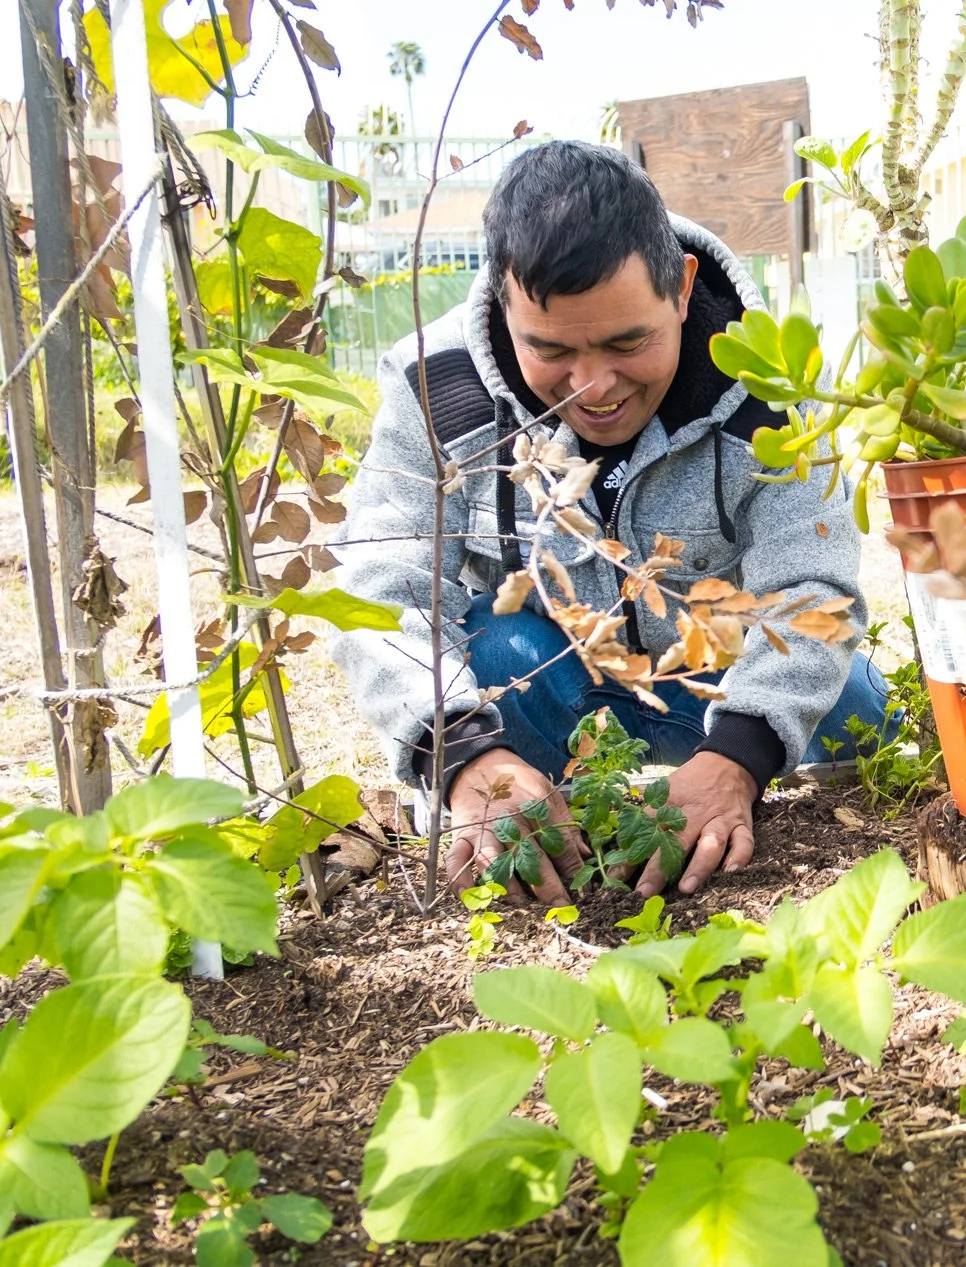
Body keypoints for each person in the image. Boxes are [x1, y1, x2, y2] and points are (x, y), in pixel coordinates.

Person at [331, 140, 884, 906]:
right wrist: (461, 758)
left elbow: (811, 588)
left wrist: (740, 757)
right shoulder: (437, 383)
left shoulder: (770, 379)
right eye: (550, 349)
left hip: (724, 675)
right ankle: (521, 807)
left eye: (629, 343)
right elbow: (377, 588)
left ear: (684, 290)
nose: (591, 388)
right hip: (544, 677)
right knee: (496, 650)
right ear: (504, 311)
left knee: (857, 715)